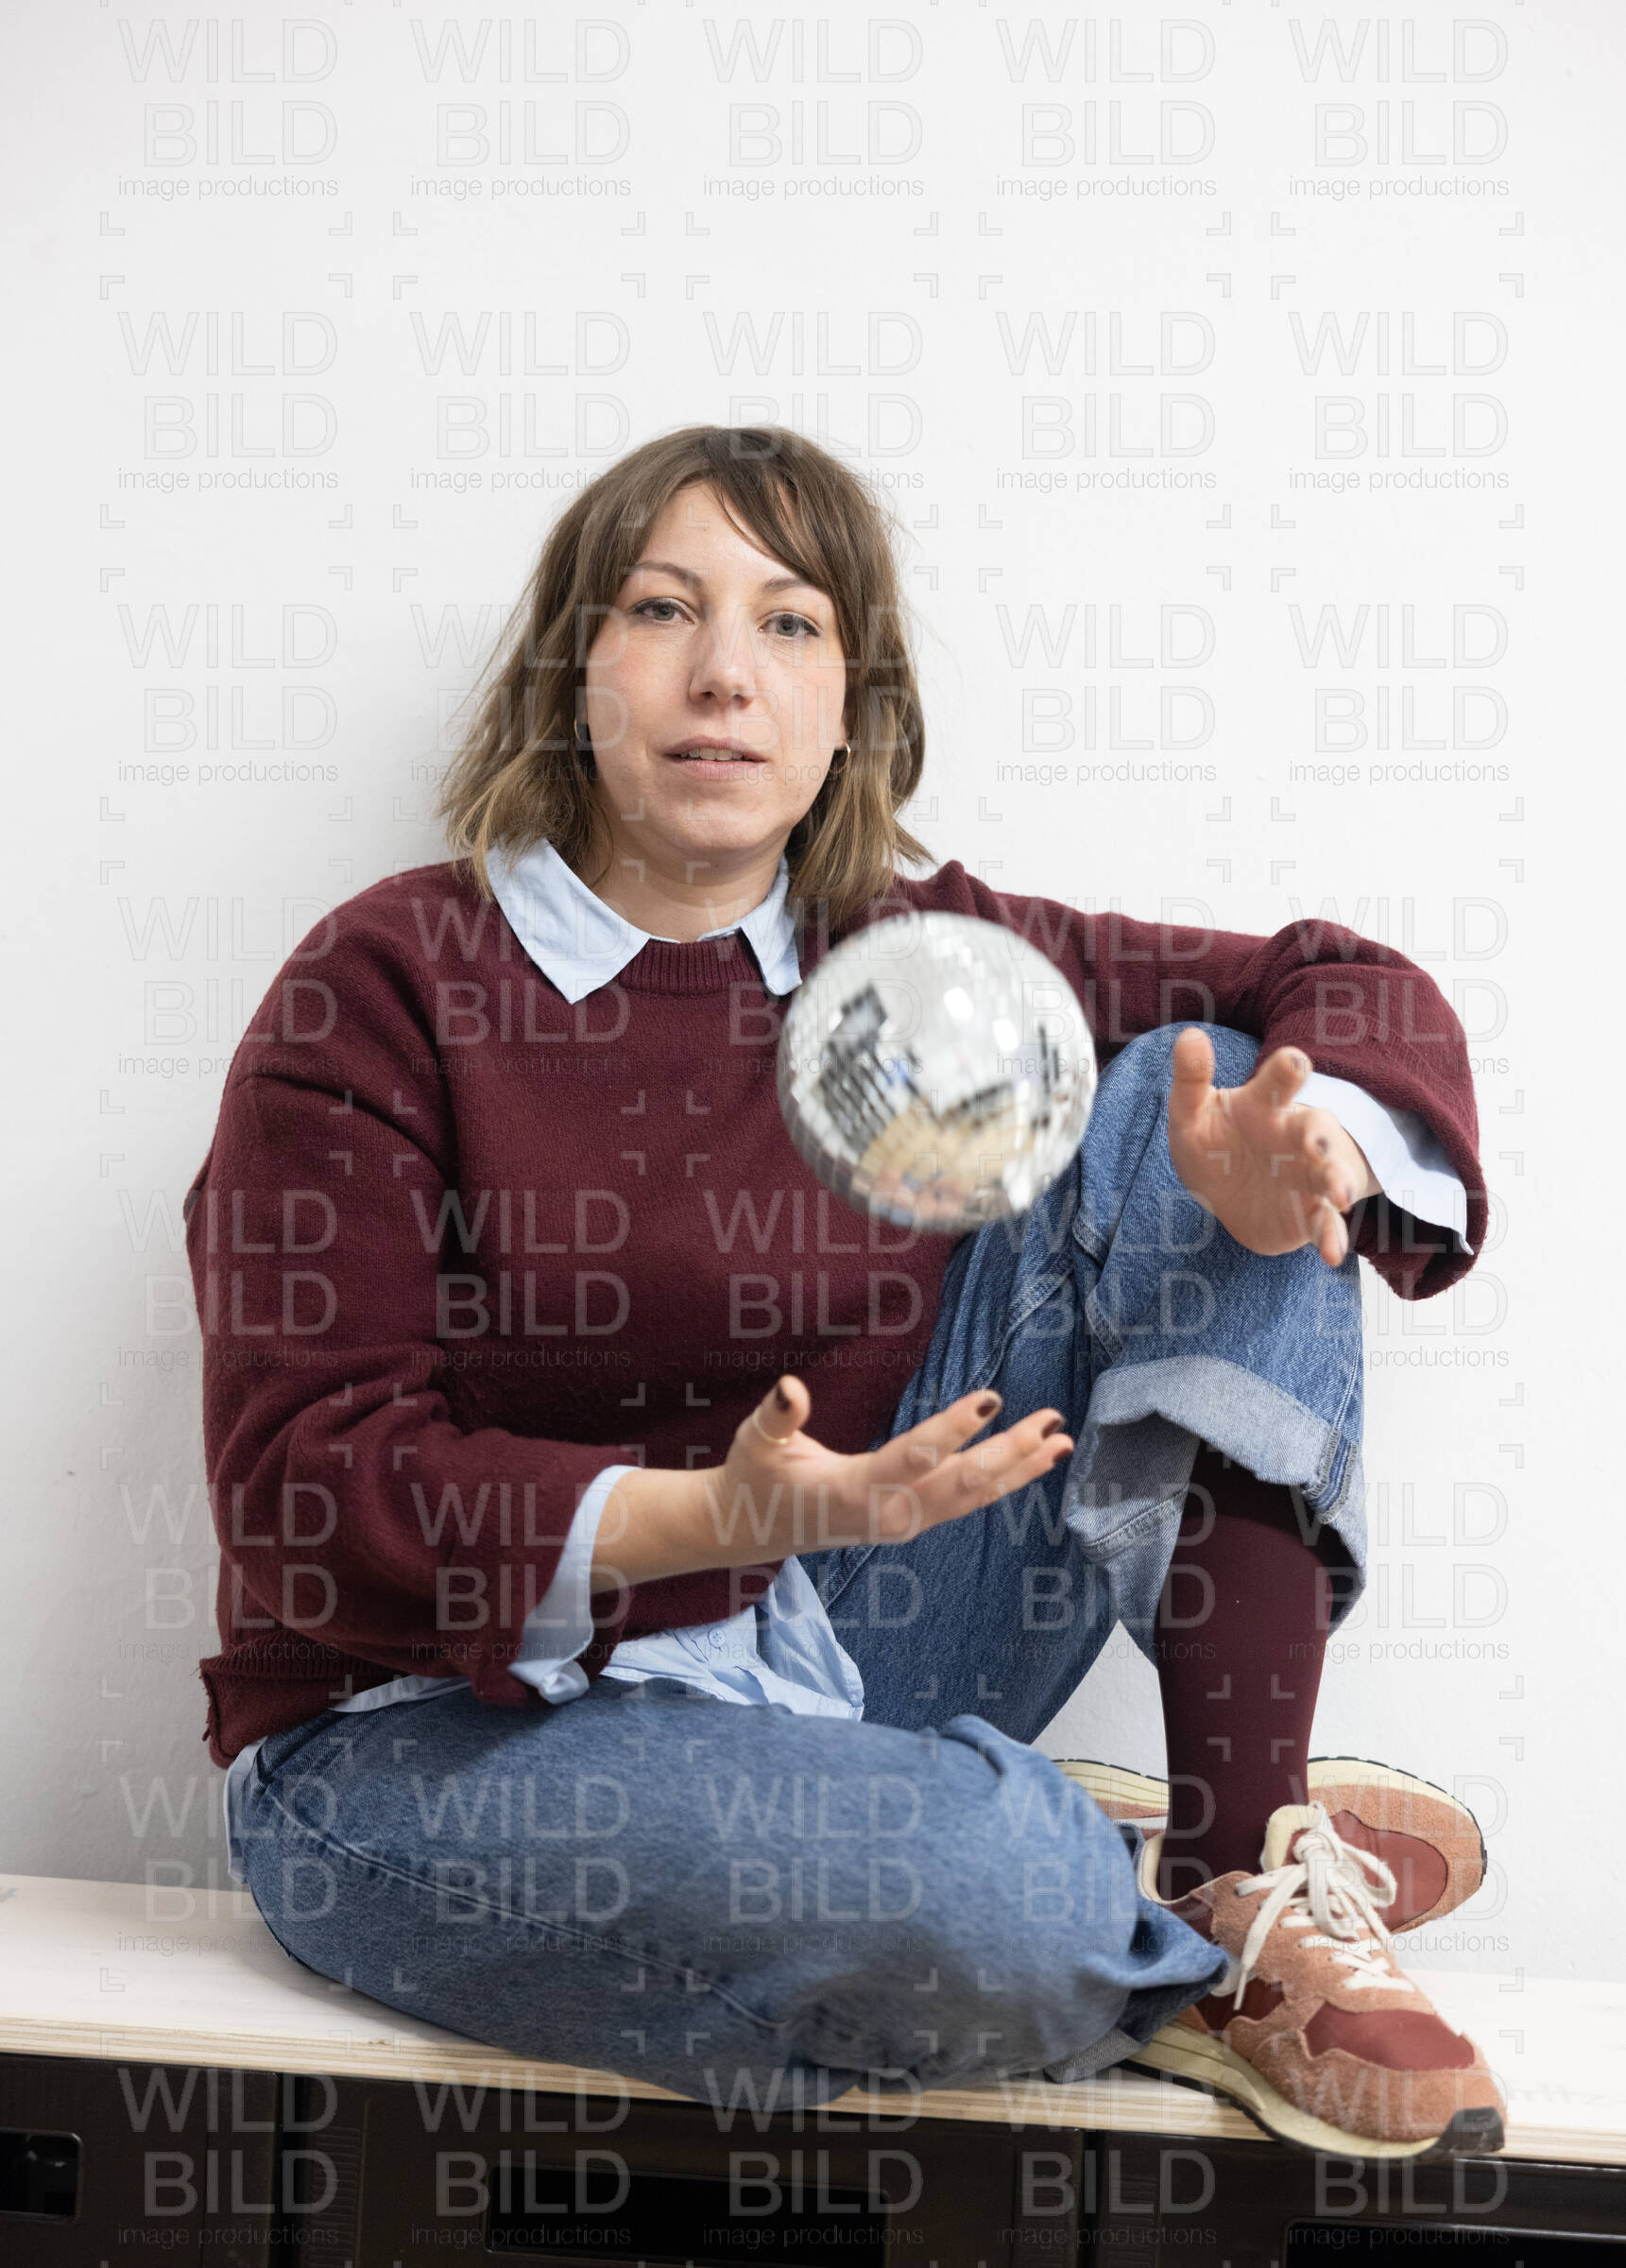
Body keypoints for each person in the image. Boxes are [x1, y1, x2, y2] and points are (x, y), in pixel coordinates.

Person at [185, 423, 1502, 2161]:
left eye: (790, 623)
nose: (725, 674)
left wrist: (1304, 1149)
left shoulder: (925, 957)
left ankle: (1231, 1864)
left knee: (1193, 1090)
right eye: (663, 608)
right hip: (436, 1737)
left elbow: (1338, 976)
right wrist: (703, 1516)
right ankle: (1064, 1866)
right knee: (995, 1894)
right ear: (571, 669)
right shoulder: (382, 984)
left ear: (851, 704)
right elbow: (302, 1490)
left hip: (843, 1638)